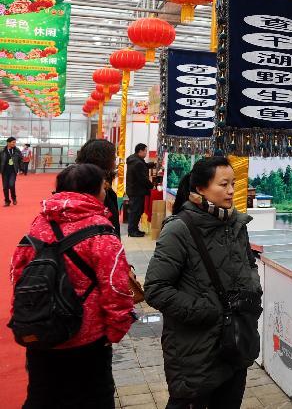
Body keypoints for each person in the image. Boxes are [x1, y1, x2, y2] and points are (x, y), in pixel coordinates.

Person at [11, 163, 134, 409]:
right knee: (92, 398)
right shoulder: (101, 232)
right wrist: (116, 330)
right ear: (94, 191)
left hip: (43, 330)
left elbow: (18, 272)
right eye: (103, 186)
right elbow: (116, 288)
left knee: (42, 396)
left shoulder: (39, 224)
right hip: (87, 338)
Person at [145, 157, 262, 409]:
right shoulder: (179, 229)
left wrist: (253, 291)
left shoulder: (237, 223)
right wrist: (207, 311)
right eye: (223, 184)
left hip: (235, 341)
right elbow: (155, 289)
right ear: (200, 188)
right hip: (195, 349)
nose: (231, 190)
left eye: (234, 183)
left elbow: (249, 264)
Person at [76, 139, 121, 237]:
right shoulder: (95, 189)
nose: (115, 163)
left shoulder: (78, 181)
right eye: (113, 158)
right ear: (104, 161)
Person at [125, 144, 152, 237]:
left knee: (136, 210)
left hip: (133, 189)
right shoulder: (137, 163)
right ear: (140, 151)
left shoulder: (134, 159)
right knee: (135, 211)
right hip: (136, 191)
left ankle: (134, 229)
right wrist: (151, 186)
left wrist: (152, 165)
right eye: (145, 151)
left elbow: (144, 166)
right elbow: (142, 178)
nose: (146, 153)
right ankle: (132, 231)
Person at [2, 136, 22, 206]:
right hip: (4, 171)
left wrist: (20, 168)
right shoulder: (2, 151)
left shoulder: (17, 150)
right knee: (5, 187)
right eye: (13, 142)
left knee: (11, 185)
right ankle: (7, 201)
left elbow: (20, 160)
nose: (14, 143)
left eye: (15, 142)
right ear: (8, 143)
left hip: (13, 171)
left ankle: (14, 198)